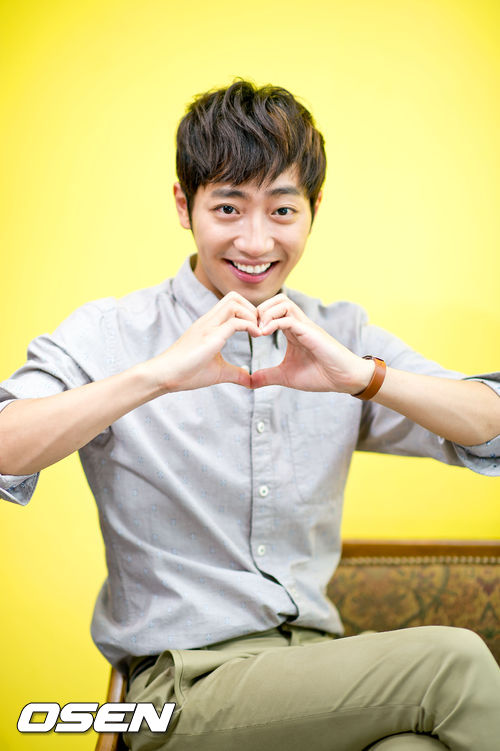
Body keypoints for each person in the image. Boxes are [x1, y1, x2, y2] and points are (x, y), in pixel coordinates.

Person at [1, 80, 499, 751]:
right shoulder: (114, 332)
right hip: (182, 689)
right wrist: (155, 377)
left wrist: (364, 378)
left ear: (315, 209)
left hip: (314, 678)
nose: (256, 241)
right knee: (454, 662)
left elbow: (489, 420)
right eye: (229, 208)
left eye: (283, 210)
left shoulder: (339, 334)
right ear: (185, 205)